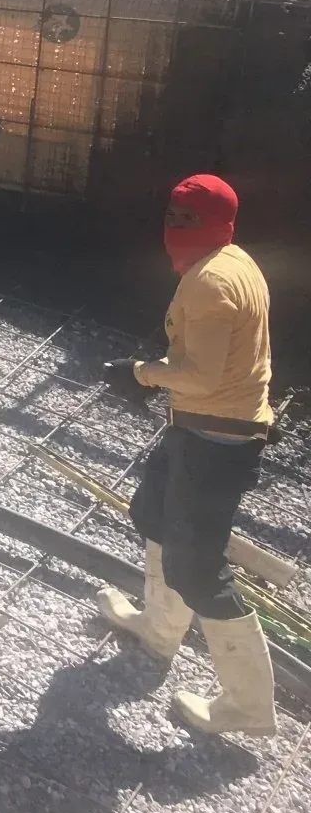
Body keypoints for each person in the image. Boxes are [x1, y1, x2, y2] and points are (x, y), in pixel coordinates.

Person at [94, 173, 275, 736]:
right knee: (152, 514)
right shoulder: (233, 261)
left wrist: (140, 374)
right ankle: (158, 630)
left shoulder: (212, 283)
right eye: (172, 214)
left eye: (187, 218)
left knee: (199, 570)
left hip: (216, 442)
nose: (175, 226)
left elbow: (200, 376)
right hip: (201, 428)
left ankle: (247, 706)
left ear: (217, 222)